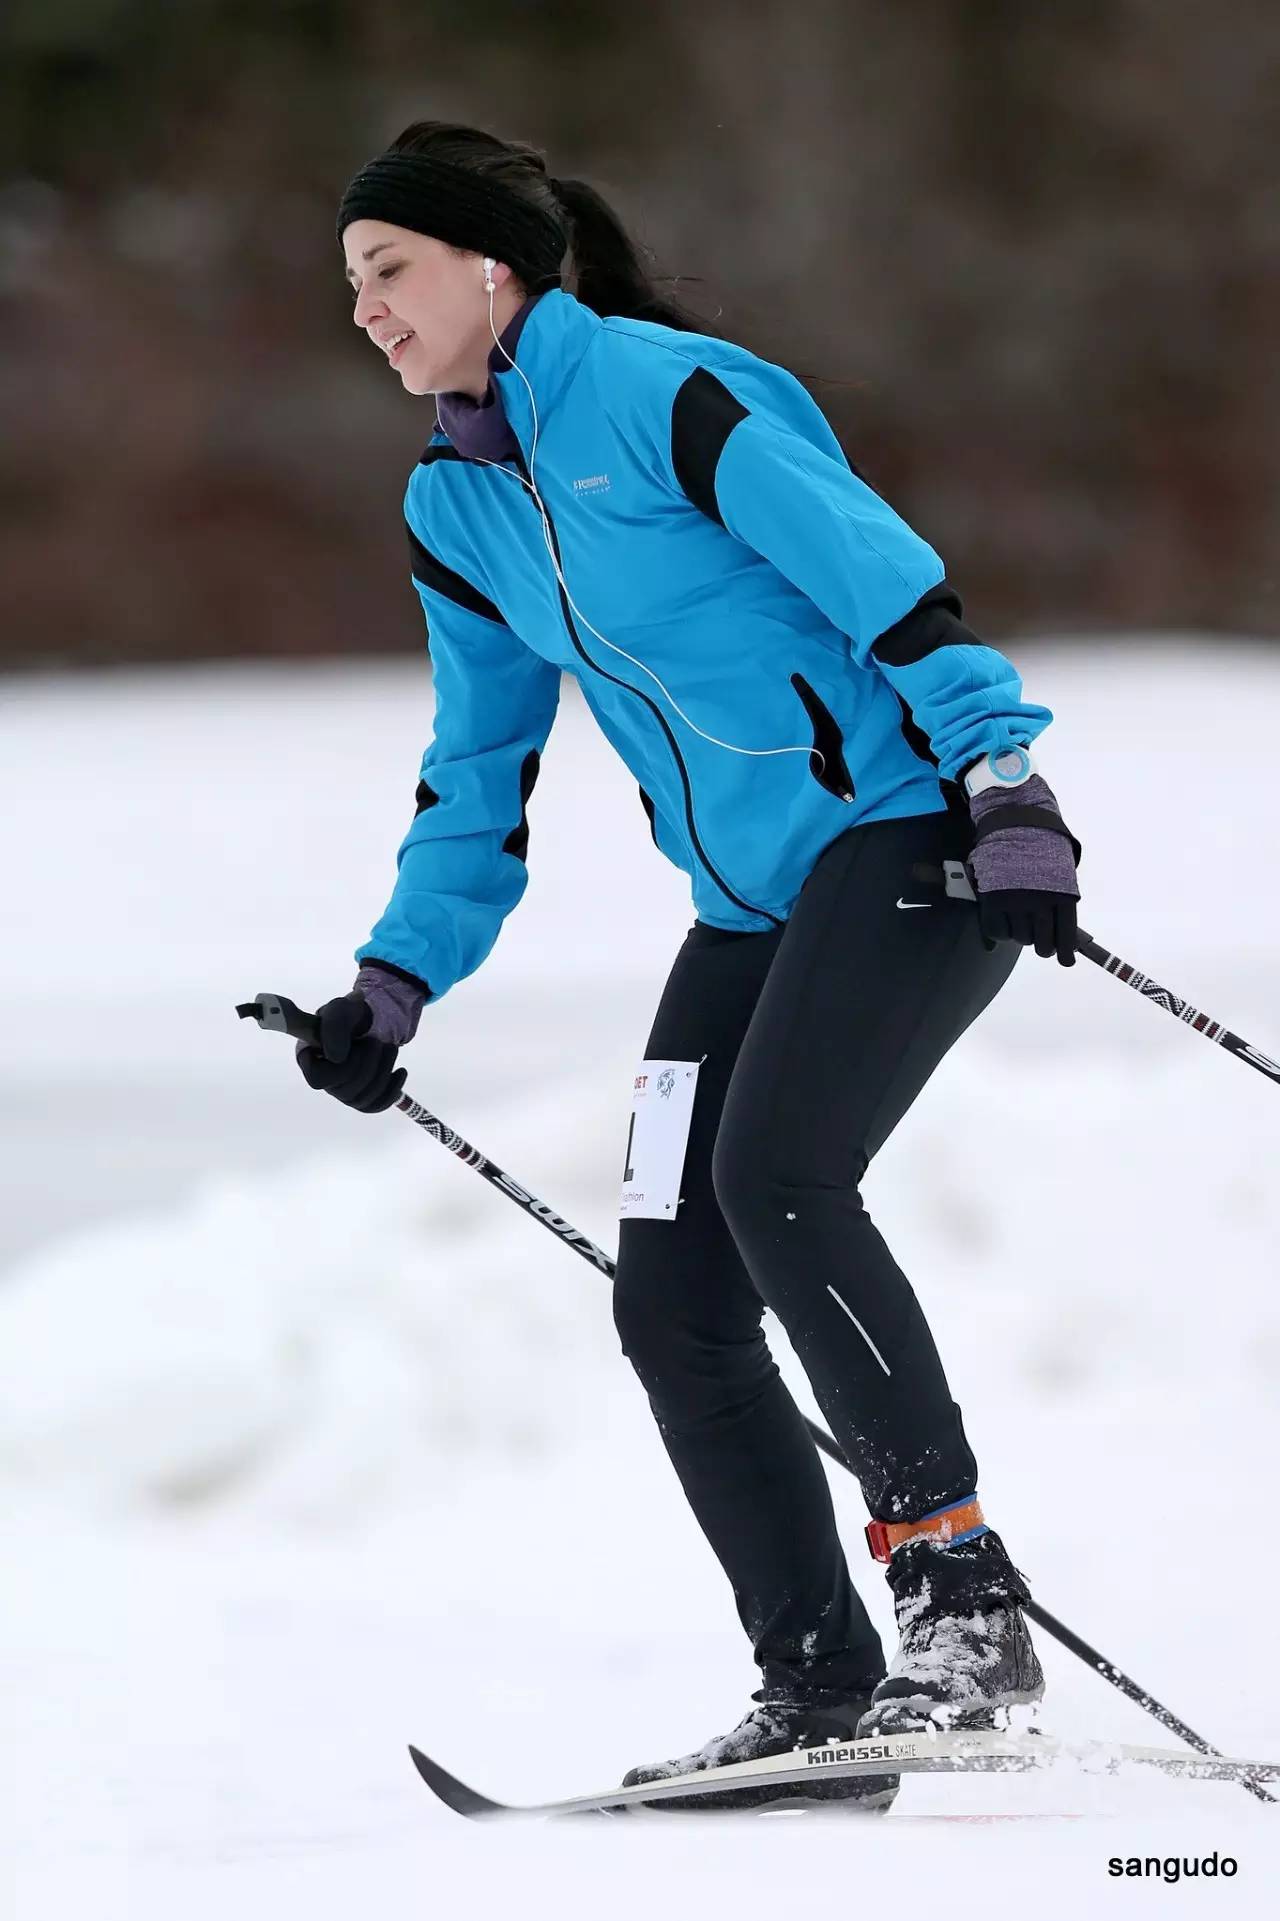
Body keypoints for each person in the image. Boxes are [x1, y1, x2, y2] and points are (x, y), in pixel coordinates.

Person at [305, 119, 1082, 1814]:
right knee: (668, 1291)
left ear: (492, 266)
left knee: (780, 1175)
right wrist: (394, 982)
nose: (363, 309)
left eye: (389, 271)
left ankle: (961, 1597)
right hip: (751, 907)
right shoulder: (458, 500)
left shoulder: (668, 394)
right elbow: (474, 774)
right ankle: (819, 1690)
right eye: (351, 285)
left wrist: (1005, 779)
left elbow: (889, 582)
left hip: (911, 834)